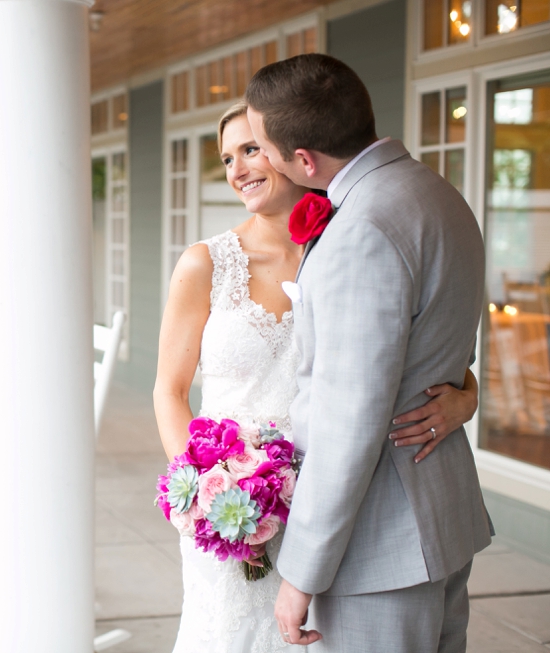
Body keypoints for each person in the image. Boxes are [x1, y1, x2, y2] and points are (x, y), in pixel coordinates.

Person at [153, 99, 480, 653]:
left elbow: (411, 349)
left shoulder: (350, 240)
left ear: (291, 151)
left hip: (338, 508)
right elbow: (170, 391)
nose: (238, 170)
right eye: (227, 158)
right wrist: (208, 496)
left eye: (252, 149)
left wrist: (464, 399)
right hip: (241, 516)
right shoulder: (204, 264)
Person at [244, 54, 491, 652]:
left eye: (264, 148)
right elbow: (448, 344)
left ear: (303, 160)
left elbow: (348, 419)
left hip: (382, 542)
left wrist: (302, 572)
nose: (262, 160)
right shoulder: (435, 192)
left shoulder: (360, 230)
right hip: (439, 515)